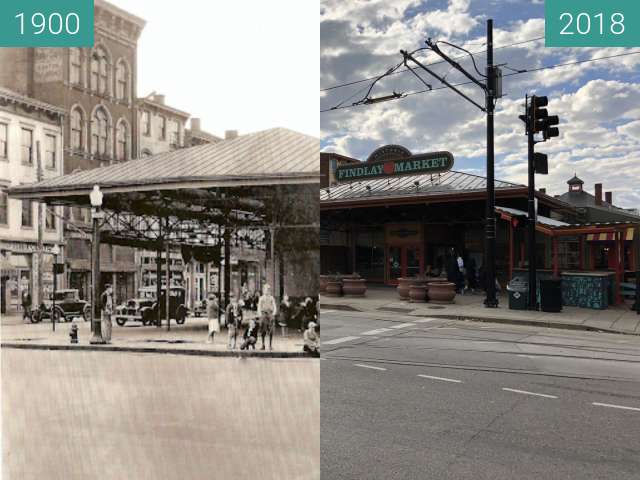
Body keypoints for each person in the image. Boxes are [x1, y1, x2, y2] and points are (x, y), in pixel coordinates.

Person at [257, 284, 277, 350]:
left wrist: (273, 313)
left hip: (270, 314)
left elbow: (274, 306)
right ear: (263, 290)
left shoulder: (271, 298)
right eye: (266, 289)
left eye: (268, 290)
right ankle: (263, 345)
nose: (267, 291)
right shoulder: (261, 298)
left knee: (271, 330)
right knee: (263, 330)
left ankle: (270, 345)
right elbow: (259, 307)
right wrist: (260, 314)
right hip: (263, 314)